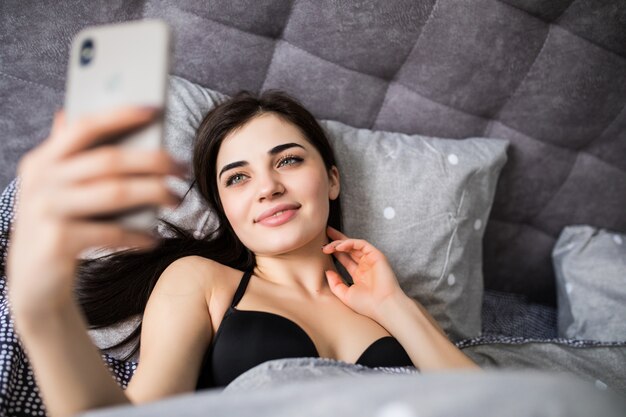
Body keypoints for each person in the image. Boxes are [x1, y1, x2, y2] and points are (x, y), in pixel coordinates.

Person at [6, 90, 481, 417]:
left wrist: (396, 307)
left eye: (288, 160)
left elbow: (492, 406)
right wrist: (44, 314)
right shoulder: (202, 282)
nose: (269, 188)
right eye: (238, 177)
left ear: (332, 179)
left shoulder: (387, 304)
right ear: (225, 208)